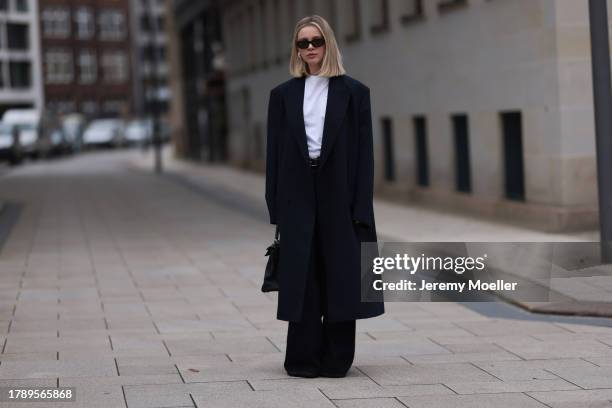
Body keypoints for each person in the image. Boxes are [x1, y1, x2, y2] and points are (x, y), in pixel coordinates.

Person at [265, 14, 384, 379]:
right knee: (303, 276)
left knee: (341, 275)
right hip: (299, 189)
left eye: (316, 41)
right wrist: (276, 207)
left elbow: (365, 156)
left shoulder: (354, 92)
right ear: (296, 49)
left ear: (328, 43)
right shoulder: (282, 95)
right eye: (303, 43)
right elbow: (275, 155)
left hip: (339, 190)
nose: (311, 48)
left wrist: (361, 207)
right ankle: (302, 358)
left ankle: (336, 359)